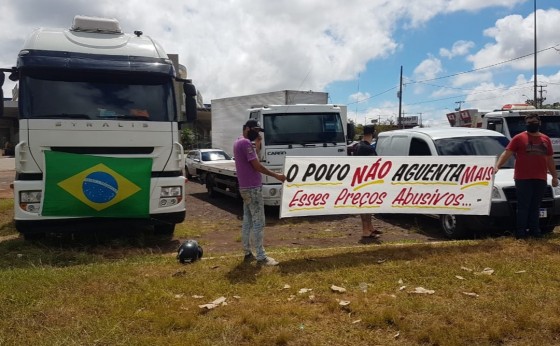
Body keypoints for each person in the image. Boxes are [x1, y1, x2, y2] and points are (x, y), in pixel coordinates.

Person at [494, 113, 559, 239]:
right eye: (529, 123)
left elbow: (550, 159)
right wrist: (498, 166)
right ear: (526, 124)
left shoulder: (546, 139)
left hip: (540, 178)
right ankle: (521, 232)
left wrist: (555, 176)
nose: (532, 124)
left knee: (536, 206)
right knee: (523, 206)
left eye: (534, 122)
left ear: (539, 123)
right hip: (523, 178)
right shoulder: (519, 138)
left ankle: (535, 231)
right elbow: (506, 153)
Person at [234, 119, 286, 265]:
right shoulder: (245, 143)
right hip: (252, 188)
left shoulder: (239, 142)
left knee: (248, 220)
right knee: (259, 222)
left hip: (245, 187)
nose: (257, 134)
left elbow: (252, 158)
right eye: (255, 130)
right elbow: (257, 166)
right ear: (247, 128)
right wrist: (277, 176)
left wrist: (256, 145)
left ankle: (247, 252)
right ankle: (261, 256)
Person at [355, 125, 382, 240]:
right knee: (366, 206)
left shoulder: (358, 146)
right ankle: (365, 230)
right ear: (373, 133)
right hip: (367, 181)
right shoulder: (368, 149)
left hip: (361, 180)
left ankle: (369, 227)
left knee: (367, 205)